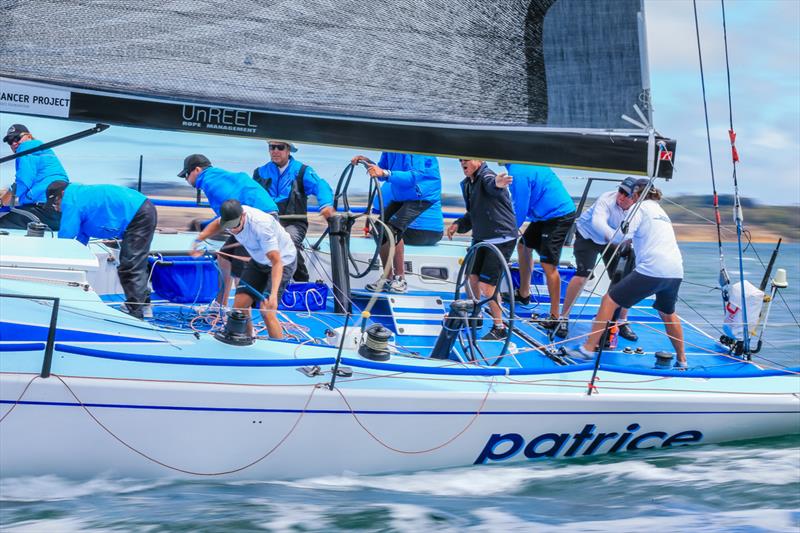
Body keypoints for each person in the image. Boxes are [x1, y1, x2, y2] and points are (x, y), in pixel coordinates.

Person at [570, 180, 687, 368]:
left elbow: (621, 237)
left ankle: (588, 349)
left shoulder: (638, 209)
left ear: (636, 195)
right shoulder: (661, 212)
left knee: (609, 300)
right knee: (668, 313)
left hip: (652, 269)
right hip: (675, 270)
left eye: (630, 194)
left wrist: (610, 235)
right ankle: (682, 360)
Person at [46, 180, 157, 319]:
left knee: (130, 266)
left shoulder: (71, 199)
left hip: (138, 214)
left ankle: (135, 313)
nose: (56, 209)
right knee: (135, 263)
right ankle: (144, 304)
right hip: (141, 210)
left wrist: (51, 262)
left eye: (56, 204)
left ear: (62, 194)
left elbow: (65, 238)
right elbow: (79, 242)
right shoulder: (80, 197)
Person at [178, 154, 279, 307]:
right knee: (224, 258)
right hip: (254, 216)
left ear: (197, 170)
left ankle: (241, 319)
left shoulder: (209, 181)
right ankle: (220, 305)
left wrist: (204, 231)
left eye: (186, 174)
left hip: (257, 221)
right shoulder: (216, 176)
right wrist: (206, 228)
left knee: (240, 268)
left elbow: (230, 213)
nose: (186, 179)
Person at [191, 199, 297, 340]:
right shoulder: (229, 218)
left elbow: (276, 261)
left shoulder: (261, 226)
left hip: (282, 261)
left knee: (267, 311)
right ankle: (248, 336)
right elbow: (216, 224)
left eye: (235, 226)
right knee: (239, 306)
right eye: (229, 227)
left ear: (244, 215)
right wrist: (198, 240)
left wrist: (273, 295)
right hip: (259, 260)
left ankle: (279, 348)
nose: (233, 230)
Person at [554, 177, 640, 340]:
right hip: (588, 236)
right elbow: (598, 224)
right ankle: (563, 317)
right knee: (582, 277)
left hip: (614, 239)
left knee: (626, 278)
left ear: (635, 197)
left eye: (626, 194)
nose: (621, 196)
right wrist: (619, 240)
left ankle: (620, 321)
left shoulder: (639, 208)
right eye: (621, 191)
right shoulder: (606, 199)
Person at [351, 152, 442, 293]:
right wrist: (367, 162)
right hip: (403, 195)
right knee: (378, 229)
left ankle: (400, 279)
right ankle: (387, 278)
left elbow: (413, 177)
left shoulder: (417, 147)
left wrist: (384, 173)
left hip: (422, 195)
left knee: (393, 230)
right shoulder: (390, 148)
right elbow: (383, 171)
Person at [447, 159, 517, 340]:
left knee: (487, 286)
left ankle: (499, 327)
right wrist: (458, 224)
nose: (462, 163)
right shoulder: (469, 184)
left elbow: (492, 184)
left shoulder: (487, 176)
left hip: (501, 238)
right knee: (471, 277)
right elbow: (473, 212)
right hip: (481, 237)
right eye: (460, 160)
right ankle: (476, 314)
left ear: (480, 161)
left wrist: (498, 183)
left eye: (467, 160)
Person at [252, 140, 334, 282]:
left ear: (288, 150)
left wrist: (326, 204)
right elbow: (249, 195)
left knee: (288, 241)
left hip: (294, 223)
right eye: (272, 147)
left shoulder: (302, 171)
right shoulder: (259, 172)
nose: (275, 151)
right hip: (267, 223)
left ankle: (301, 281)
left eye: (280, 147)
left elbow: (321, 185)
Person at [507, 164, 576, 329]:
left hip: (559, 215)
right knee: (523, 246)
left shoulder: (518, 171)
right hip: (543, 215)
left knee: (548, 264)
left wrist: (507, 233)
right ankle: (524, 294)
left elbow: (520, 210)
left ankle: (554, 316)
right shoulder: (516, 167)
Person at [0, 124, 68, 230]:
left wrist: (1, 202)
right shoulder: (42, 149)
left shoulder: (28, 147)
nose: (14, 143)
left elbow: (23, 182)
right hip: (59, 212)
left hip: (43, 209)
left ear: (29, 136)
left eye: (17, 138)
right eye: (10, 141)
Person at [374, 181, 443, 245]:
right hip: (437, 234)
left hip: (412, 234)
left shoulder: (393, 181)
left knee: (380, 229)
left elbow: (378, 205)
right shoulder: (431, 182)